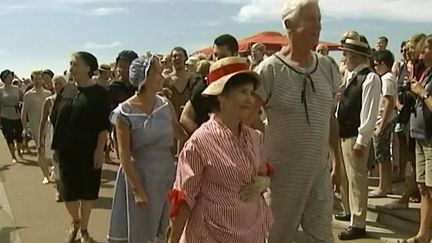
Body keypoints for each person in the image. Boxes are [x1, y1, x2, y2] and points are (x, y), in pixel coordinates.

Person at [252, 0, 342, 241]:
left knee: (322, 238)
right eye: (311, 19)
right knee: (275, 237)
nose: (318, 26)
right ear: (289, 24)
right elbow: (249, 119)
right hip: (281, 179)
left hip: (318, 175)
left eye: (320, 19)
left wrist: (338, 163)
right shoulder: (268, 71)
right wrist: (259, 163)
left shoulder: (328, 67)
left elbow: (330, 119)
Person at [166, 56, 272, 243]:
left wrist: (264, 182)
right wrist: (172, 240)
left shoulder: (255, 137)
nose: (250, 99)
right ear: (221, 96)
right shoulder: (200, 143)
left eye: (251, 92)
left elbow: (264, 171)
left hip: (251, 231)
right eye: (242, 92)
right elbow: (184, 199)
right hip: (209, 235)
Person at [108, 55, 187, 243]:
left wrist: (180, 163)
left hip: (167, 175)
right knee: (141, 231)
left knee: (166, 227)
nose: (162, 76)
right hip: (140, 176)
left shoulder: (165, 105)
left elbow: (180, 136)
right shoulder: (124, 113)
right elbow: (124, 157)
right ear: (144, 77)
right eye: (158, 73)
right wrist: (136, 190)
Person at [51, 51, 111, 243]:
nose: (72, 67)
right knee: (68, 193)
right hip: (66, 150)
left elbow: (103, 125)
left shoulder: (100, 93)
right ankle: (75, 221)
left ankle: (84, 229)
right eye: (71, 64)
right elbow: (55, 119)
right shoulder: (65, 90)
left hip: (88, 151)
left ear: (88, 67)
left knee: (87, 191)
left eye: (76, 64)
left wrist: (99, 151)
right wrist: (56, 148)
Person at [336, 37, 381, 240]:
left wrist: (362, 139)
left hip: (355, 135)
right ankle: (349, 212)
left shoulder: (370, 78)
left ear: (354, 55)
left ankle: (358, 222)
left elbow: (369, 111)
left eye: (346, 53)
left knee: (357, 181)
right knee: (346, 179)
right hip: (343, 133)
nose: (344, 56)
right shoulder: (351, 75)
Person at [403, 34, 432, 243]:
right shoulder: (425, 72)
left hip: (430, 138)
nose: (421, 50)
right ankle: (423, 234)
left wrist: (422, 93)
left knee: (431, 187)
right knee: (423, 187)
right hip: (419, 135)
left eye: (426, 47)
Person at [368, 50, 397, 198]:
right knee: (383, 155)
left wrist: (381, 126)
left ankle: (382, 186)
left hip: (384, 121)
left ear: (384, 64)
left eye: (376, 65)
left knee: (382, 155)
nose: (375, 68)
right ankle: (387, 185)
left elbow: (389, 102)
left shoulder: (386, 79)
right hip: (385, 120)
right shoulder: (388, 78)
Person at [38, 75, 67, 201]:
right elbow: (43, 121)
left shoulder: (71, 100)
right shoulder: (49, 101)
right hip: (53, 135)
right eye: (55, 84)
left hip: (69, 136)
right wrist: (40, 141)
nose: (57, 86)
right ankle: (59, 190)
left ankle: (68, 189)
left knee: (67, 164)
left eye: (60, 83)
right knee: (56, 163)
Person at [21, 70, 52, 183]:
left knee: (51, 150)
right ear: (32, 80)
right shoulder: (28, 95)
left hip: (48, 126)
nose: (38, 81)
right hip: (35, 126)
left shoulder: (48, 93)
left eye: (40, 78)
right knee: (41, 150)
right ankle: (45, 175)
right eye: (36, 79)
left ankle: (51, 168)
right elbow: (24, 113)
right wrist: (25, 128)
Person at [0, 69, 24, 162]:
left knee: (19, 134)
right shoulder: (0, 90)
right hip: (5, 115)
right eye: (8, 77)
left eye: (11, 76)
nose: (10, 78)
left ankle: (19, 151)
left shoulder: (16, 89)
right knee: (9, 135)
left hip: (17, 114)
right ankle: (13, 156)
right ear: (4, 78)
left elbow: (23, 99)